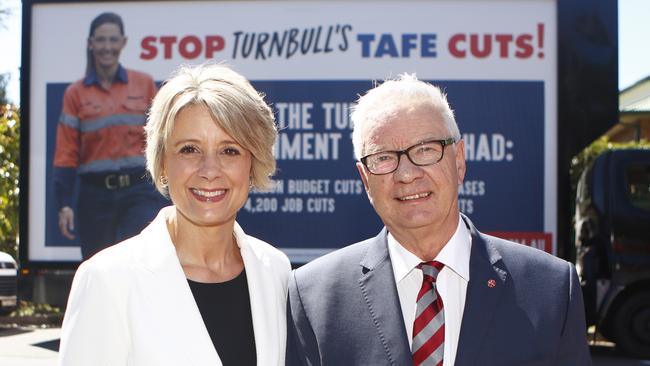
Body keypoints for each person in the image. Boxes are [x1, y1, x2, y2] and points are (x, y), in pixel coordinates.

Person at [286, 74, 592, 365]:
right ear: (365, 179)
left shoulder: (550, 290)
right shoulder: (313, 296)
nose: (406, 174)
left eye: (425, 150)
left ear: (459, 161)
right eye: (383, 158)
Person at [58, 63, 291, 366]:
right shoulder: (107, 280)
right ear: (163, 162)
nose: (209, 171)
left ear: (253, 163)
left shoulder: (276, 272)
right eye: (189, 149)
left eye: (229, 150)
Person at [53, 12, 166, 259]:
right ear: (90, 43)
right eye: (101, 40)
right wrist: (64, 204)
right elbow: (66, 153)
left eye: (113, 40)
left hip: (139, 192)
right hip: (94, 197)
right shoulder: (75, 94)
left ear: (123, 43)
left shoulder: (144, 84)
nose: (107, 47)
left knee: (141, 263)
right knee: (98, 268)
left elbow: (162, 141)